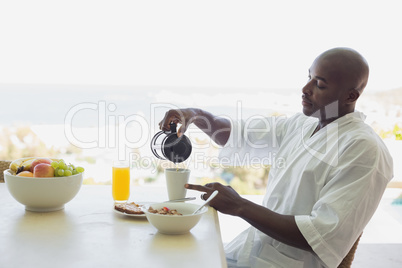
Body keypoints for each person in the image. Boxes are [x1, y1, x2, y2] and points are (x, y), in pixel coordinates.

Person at [158, 47, 393, 268]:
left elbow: (319, 236)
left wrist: (239, 206)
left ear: (351, 95)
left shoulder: (363, 150)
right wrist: (197, 115)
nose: (305, 88)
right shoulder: (303, 124)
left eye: (319, 84)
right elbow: (239, 135)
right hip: (249, 253)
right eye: (309, 77)